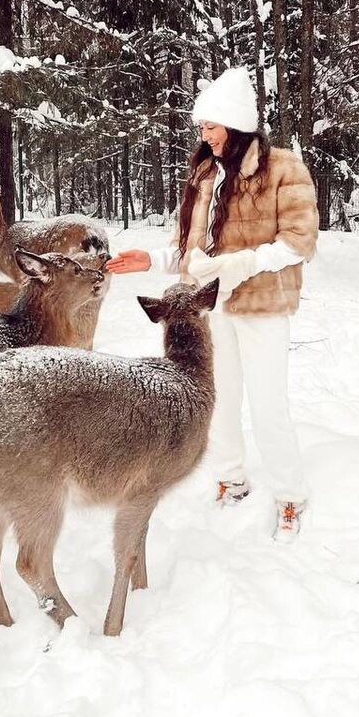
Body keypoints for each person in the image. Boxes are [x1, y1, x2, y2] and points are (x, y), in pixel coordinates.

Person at [106, 67, 319, 540]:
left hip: (262, 307)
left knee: (268, 405)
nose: (204, 135)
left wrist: (241, 265)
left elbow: (299, 241)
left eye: (211, 126)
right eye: (201, 127)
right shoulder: (205, 173)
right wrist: (152, 260)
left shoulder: (283, 169)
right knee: (217, 399)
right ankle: (231, 478)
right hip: (211, 308)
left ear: (237, 125)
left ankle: (289, 496)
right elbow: (193, 252)